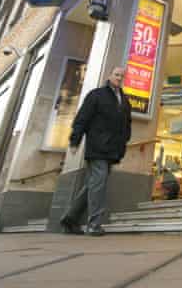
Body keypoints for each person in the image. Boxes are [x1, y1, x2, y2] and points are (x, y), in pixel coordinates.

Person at [60, 65, 132, 236]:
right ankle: (94, 225)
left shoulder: (124, 100)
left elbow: (127, 124)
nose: (119, 78)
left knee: (93, 185)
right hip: (97, 147)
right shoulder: (96, 95)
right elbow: (82, 118)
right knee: (98, 185)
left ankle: (70, 219)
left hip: (113, 150)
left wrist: (124, 141)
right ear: (110, 75)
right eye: (116, 75)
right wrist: (75, 140)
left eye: (122, 76)